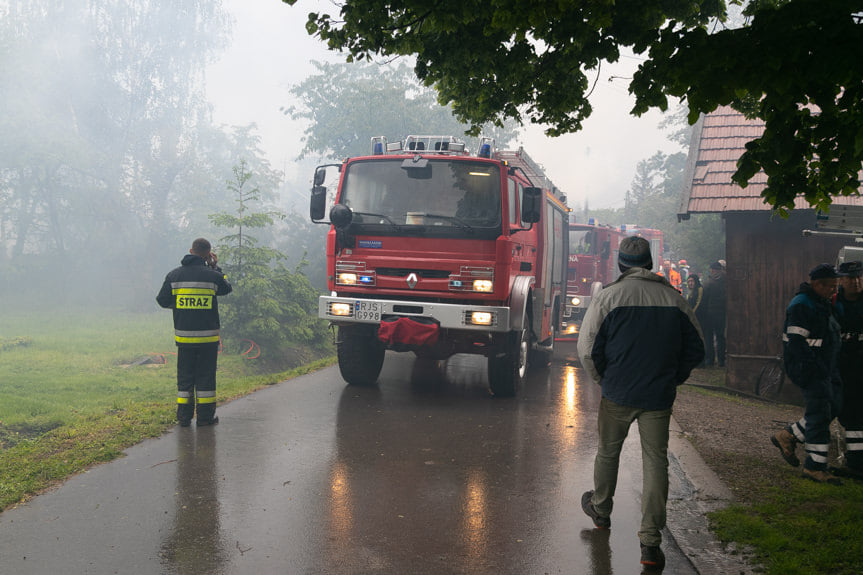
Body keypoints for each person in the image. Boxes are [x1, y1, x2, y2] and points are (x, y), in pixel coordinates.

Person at [577, 236, 705, 570]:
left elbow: (588, 348)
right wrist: (672, 378)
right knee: (655, 463)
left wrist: (603, 379)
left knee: (608, 452)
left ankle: (601, 511)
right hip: (657, 397)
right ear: (649, 263)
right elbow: (697, 348)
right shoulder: (674, 300)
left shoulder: (608, 297)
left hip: (617, 393)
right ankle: (650, 543)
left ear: (620, 264)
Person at [771, 263, 843, 484]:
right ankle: (814, 466)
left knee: (833, 406)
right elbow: (797, 342)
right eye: (831, 286)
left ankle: (789, 434)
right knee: (820, 413)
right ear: (817, 284)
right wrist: (815, 367)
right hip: (810, 368)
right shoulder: (802, 305)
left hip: (825, 367)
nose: (834, 290)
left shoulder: (819, 301)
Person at [156, 238, 232, 427]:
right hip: (208, 340)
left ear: (190, 251)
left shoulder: (174, 275)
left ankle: (184, 417)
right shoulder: (212, 276)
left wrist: (180, 306)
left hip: (184, 338)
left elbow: (162, 300)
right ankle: (205, 418)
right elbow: (226, 288)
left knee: (185, 378)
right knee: (206, 378)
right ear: (208, 255)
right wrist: (215, 268)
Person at [833, 260, 863, 478]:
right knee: (849, 414)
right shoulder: (832, 303)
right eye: (851, 278)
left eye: (859, 277)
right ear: (841, 280)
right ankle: (855, 462)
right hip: (843, 365)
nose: (856, 282)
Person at [701, 261, 727, 367]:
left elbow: (704, 300)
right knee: (721, 337)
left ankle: (710, 360)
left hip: (710, 313)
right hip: (722, 313)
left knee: (709, 337)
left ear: (712, 270)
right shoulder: (727, 281)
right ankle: (721, 360)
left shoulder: (708, 283)